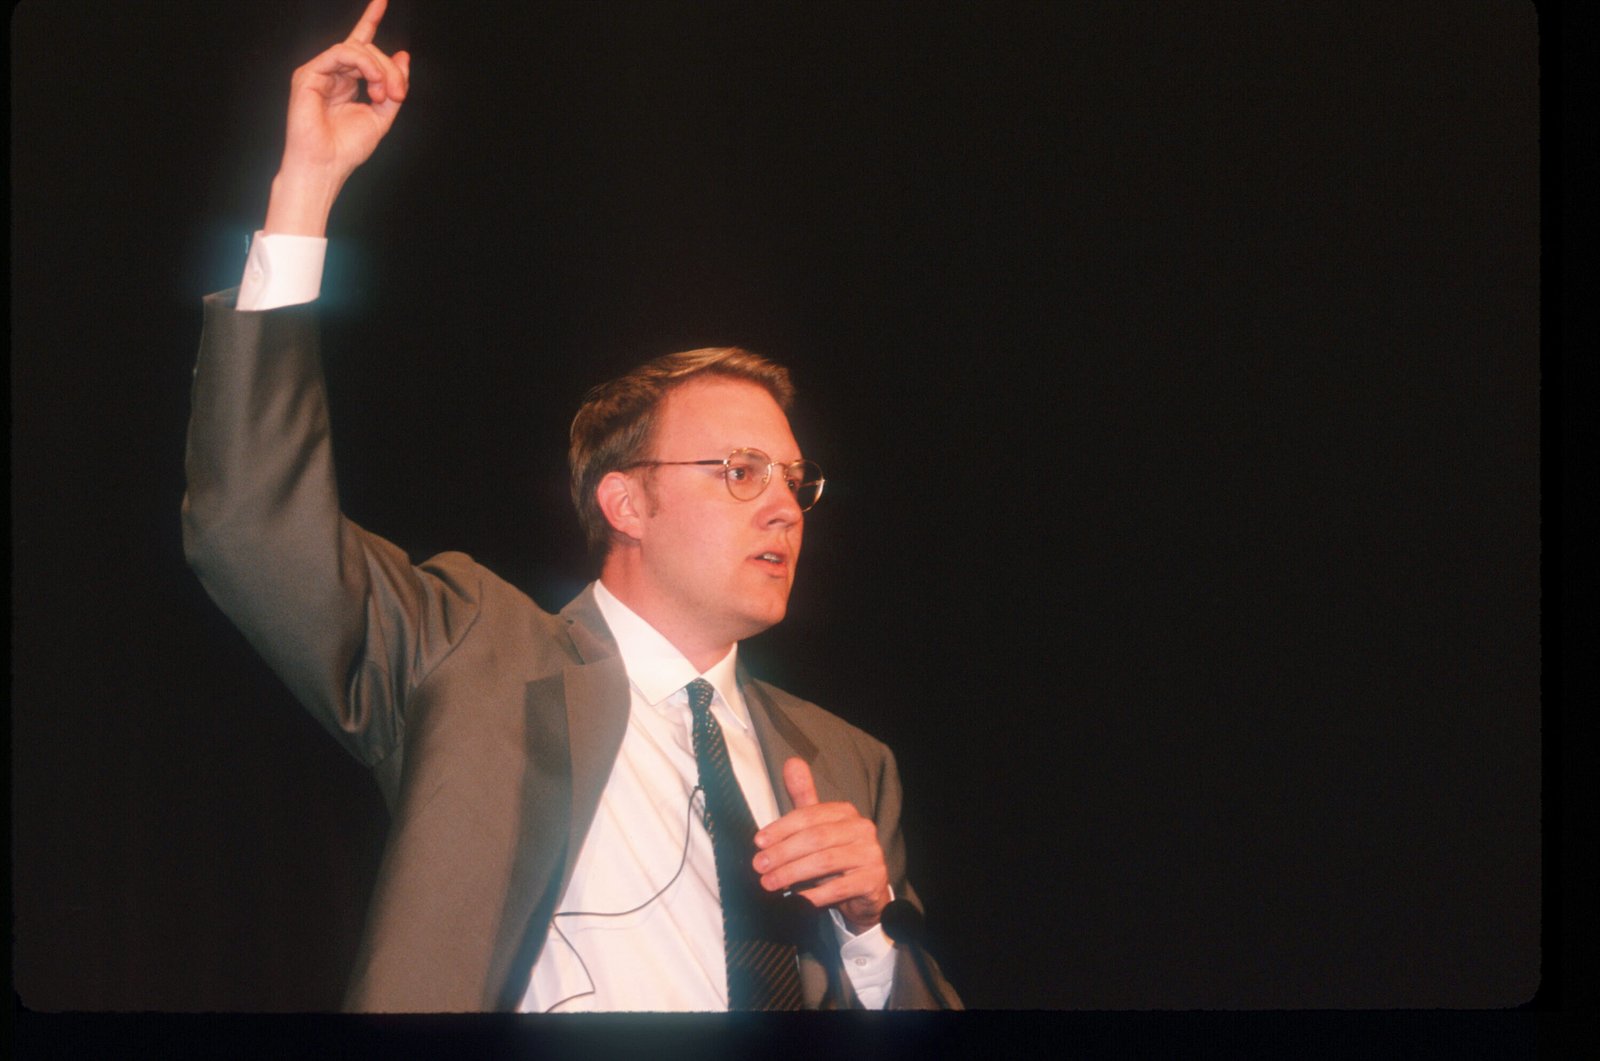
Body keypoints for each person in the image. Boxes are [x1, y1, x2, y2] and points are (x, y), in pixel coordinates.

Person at [182, 0, 957, 1012]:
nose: (785, 506)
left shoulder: (850, 762)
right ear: (624, 500)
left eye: (793, 478)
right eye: (739, 469)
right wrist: (306, 187)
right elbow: (251, 528)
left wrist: (869, 931)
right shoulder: (473, 657)